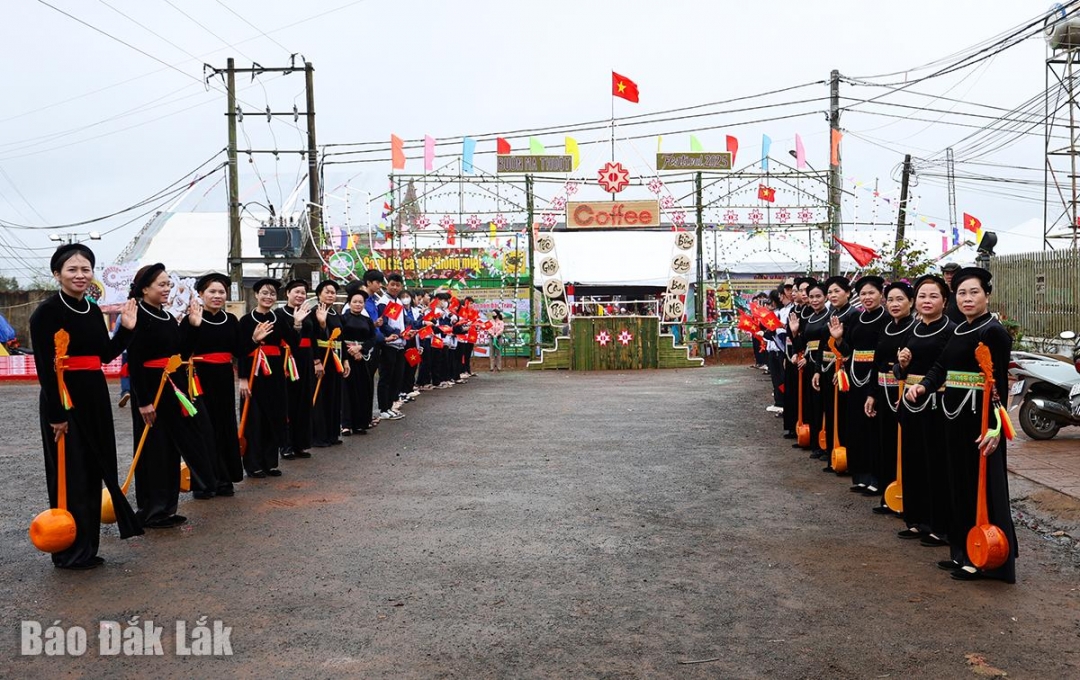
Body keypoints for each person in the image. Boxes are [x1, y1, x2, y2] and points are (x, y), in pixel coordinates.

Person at [29, 243, 144, 569]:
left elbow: (105, 355)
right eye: (72, 269)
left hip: (94, 396)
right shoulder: (46, 313)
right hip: (64, 399)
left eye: (85, 269)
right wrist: (56, 414)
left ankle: (87, 547)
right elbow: (44, 366)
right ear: (57, 274)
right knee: (71, 472)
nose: (80, 275)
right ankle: (67, 550)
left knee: (95, 470)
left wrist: (127, 329)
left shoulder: (93, 310)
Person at [905, 267, 1017, 583]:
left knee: (979, 487)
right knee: (957, 485)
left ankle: (989, 558)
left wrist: (996, 429)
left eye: (974, 292)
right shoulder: (959, 330)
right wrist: (924, 386)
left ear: (987, 295)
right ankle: (963, 551)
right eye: (962, 293)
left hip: (979, 422)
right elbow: (941, 366)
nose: (967, 299)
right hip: (952, 418)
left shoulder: (992, 332)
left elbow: (1000, 387)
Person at [126, 262, 215, 527]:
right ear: (144, 288)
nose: (167, 289)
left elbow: (181, 354)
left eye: (168, 284)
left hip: (172, 389)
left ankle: (167, 507)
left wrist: (194, 325)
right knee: (153, 449)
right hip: (151, 391)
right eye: (161, 285)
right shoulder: (138, 315)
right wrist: (143, 401)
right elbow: (135, 362)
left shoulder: (165, 316)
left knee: (170, 448)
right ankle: (151, 510)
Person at [895, 274, 956, 546]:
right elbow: (899, 371)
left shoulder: (951, 330)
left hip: (937, 404)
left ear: (945, 300)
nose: (927, 301)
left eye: (934, 296)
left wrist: (926, 386)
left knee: (936, 464)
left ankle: (939, 525)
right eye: (922, 296)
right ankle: (916, 520)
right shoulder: (913, 329)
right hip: (911, 403)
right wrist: (903, 364)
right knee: (913, 461)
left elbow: (945, 367)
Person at [185, 272, 247, 497]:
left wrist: (255, 339)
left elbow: (240, 350)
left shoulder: (230, 320)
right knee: (203, 430)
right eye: (212, 291)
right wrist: (192, 326)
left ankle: (224, 479)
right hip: (198, 379)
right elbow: (182, 350)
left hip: (222, 378)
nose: (217, 295)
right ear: (201, 294)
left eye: (221, 291)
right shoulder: (192, 317)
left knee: (225, 427)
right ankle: (204, 483)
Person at [237, 278, 296, 478]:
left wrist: (297, 324)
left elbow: (292, 343)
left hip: (275, 374)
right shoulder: (246, 321)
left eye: (272, 294)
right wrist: (243, 378)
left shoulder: (279, 319)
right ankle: (253, 464)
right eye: (264, 292)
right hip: (254, 374)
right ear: (256, 295)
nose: (268, 297)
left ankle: (270, 462)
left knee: (274, 416)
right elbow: (241, 351)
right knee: (254, 419)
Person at [866, 281, 915, 513]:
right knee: (885, 443)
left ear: (911, 302)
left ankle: (907, 497)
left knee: (904, 445)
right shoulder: (886, 328)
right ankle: (888, 495)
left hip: (904, 395)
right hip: (883, 392)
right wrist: (872, 395)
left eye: (900, 300)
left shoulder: (913, 328)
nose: (894, 304)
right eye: (891, 300)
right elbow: (877, 364)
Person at [836, 276, 889, 492]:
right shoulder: (857, 319)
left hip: (874, 378)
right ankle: (860, 475)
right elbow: (848, 350)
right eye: (863, 294)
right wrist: (839, 339)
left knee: (872, 428)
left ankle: (877, 478)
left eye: (871, 293)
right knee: (855, 426)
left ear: (880, 294)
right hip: (854, 377)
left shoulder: (886, 319)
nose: (867, 297)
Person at [816, 276, 855, 472]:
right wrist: (817, 369)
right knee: (830, 410)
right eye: (830, 292)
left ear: (848, 292)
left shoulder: (853, 315)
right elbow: (824, 344)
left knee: (843, 413)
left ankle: (844, 456)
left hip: (845, 371)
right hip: (827, 366)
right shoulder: (832, 313)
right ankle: (832, 453)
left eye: (836, 291)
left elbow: (852, 349)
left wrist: (842, 369)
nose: (832, 295)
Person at [790, 281, 830, 458]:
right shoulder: (809, 318)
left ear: (825, 297)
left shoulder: (830, 317)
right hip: (808, 363)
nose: (814, 300)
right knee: (811, 404)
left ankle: (825, 444)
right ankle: (814, 442)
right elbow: (802, 344)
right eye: (812, 297)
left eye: (818, 297)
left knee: (823, 405)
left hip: (822, 364)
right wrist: (795, 332)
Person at [280, 280, 315, 459]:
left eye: (303, 293)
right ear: (287, 293)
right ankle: (286, 445)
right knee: (288, 402)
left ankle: (301, 443)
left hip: (306, 359)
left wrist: (316, 360)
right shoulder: (279, 313)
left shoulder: (309, 313)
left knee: (304, 401)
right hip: (288, 359)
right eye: (297, 292)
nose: (300, 295)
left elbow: (313, 338)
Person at [311, 280, 345, 446]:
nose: (331, 295)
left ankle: (333, 434)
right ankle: (319, 436)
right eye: (327, 292)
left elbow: (342, 338)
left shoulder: (336, 314)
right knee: (321, 396)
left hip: (335, 357)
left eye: (333, 292)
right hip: (321, 356)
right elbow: (312, 338)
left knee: (334, 395)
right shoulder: (313, 312)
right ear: (319, 294)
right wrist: (316, 361)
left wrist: (345, 360)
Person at [340, 288, 378, 435]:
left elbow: (373, 338)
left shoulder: (367, 320)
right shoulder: (343, 318)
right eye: (354, 302)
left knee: (363, 389)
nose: (357, 304)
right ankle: (346, 424)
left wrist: (361, 349)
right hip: (347, 357)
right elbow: (339, 337)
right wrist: (351, 350)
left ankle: (361, 423)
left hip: (363, 358)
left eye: (360, 302)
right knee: (347, 391)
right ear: (349, 303)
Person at [376, 274, 408, 420]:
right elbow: (383, 324)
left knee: (396, 377)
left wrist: (407, 331)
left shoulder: (399, 302)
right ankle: (383, 408)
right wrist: (396, 333)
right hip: (389, 344)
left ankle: (390, 406)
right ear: (387, 285)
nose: (395, 287)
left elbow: (402, 322)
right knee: (386, 377)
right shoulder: (383, 302)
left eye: (398, 285)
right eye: (392, 284)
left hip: (400, 344)